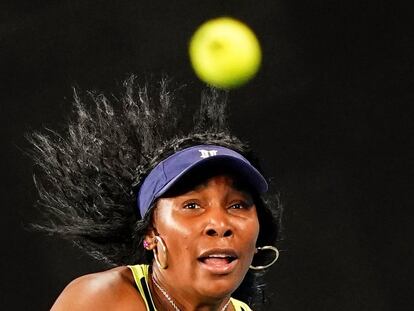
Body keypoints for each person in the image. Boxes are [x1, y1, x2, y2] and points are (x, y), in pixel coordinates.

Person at [29, 76, 282, 310]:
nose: (219, 224)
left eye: (237, 205)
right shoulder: (101, 300)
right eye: (192, 205)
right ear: (150, 232)